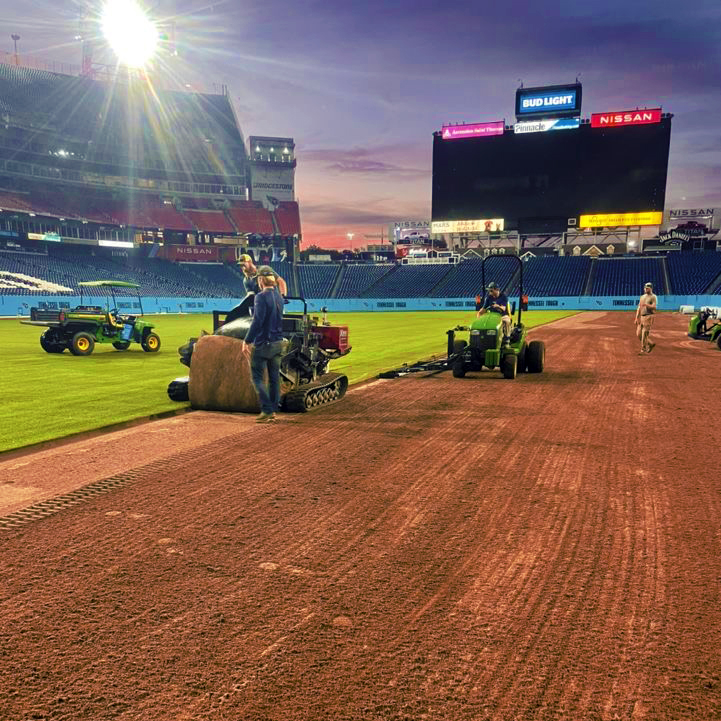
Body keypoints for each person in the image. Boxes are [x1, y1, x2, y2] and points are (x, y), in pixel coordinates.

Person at [241, 272, 285, 423]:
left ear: (261, 281)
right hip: (278, 343)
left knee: (257, 378)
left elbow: (257, 321)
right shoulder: (279, 297)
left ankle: (266, 410)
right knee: (274, 379)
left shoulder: (260, 297)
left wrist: (247, 341)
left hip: (263, 344)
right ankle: (273, 411)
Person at [635, 282, 657, 354]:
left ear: (651, 288)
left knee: (644, 333)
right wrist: (636, 317)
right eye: (645, 288)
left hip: (649, 316)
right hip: (641, 317)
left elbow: (654, 307)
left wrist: (646, 305)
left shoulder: (653, 297)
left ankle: (643, 350)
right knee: (639, 334)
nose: (646, 289)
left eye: (647, 288)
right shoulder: (642, 297)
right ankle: (650, 344)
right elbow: (639, 307)